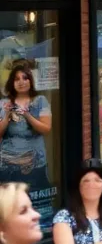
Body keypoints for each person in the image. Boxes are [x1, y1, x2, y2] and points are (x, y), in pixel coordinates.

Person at [0, 61, 53, 220]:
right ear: (12, 83)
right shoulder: (4, 104)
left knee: (36, 206)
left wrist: (28, 115)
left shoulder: (40, 101)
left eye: (25, 78)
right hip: (8, 166)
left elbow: (46, 129)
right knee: (11, 207)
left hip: (34, 165)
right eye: (17, 79)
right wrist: (8, 116)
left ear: (30, 81)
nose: (21, 82)